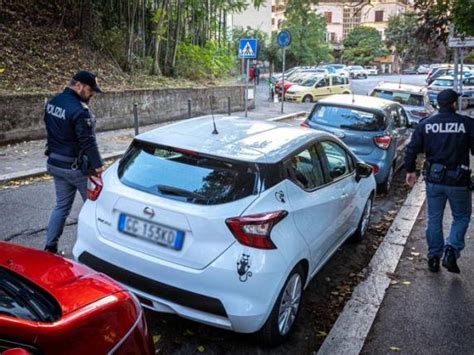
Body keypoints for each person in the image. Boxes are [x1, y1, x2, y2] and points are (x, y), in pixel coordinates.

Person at [405, 89, 474, 273]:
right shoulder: (467, 124)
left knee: (434, 219)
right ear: (454, 103)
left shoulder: (426, 124)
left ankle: (433, 257)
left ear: (438, 103)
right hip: (459, 181)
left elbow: (411, 149)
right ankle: (451, 249)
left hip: (434, 180)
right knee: (461, 217)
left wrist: (410, 170)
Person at [44, 70, 104, 253]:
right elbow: (87, 141)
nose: (92, 94)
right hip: (75, 169)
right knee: (95, 208)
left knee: (61, 206)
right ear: (79, 86)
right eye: (90, 90)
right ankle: (95, 251)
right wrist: (98, 165)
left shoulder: (53, 102)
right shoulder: (79, 111)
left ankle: (50, 248)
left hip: (55, 163)